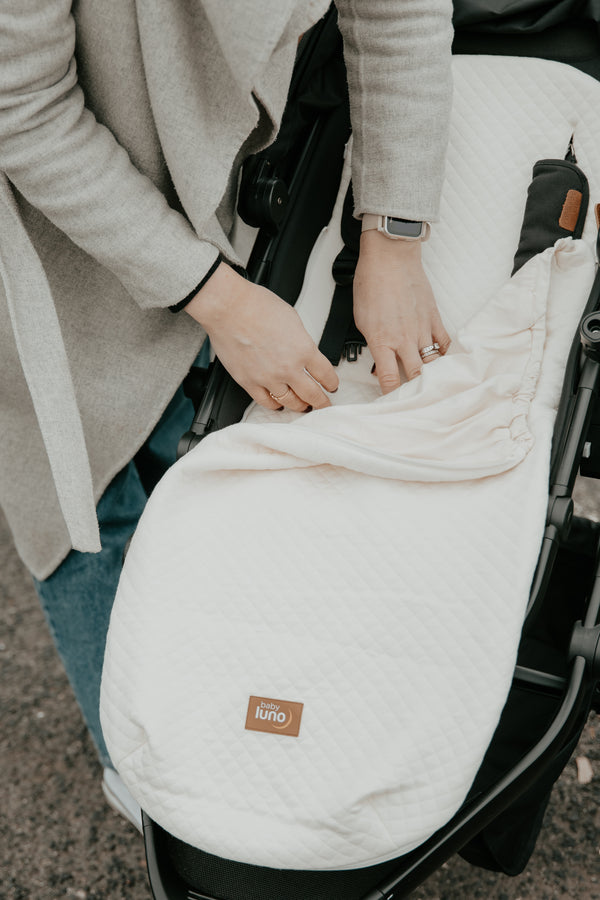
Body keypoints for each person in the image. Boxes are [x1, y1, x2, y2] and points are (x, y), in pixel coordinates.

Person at [0, 0, 453, 820]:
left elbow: (399, 12)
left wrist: (392, 239)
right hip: (41, 203)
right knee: (91, 493)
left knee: (221, 459)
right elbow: (22, 104)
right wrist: (220, 301)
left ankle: (259, 736)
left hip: (231, 175)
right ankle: (159, 784)